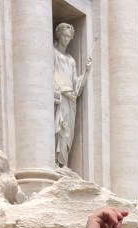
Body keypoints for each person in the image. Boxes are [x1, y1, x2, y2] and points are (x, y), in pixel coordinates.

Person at [53, 22, 92, 169]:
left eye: (68, 37)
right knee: (59, 128)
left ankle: (62, 164)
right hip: (60, 97)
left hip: (70, 102)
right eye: (63, 35)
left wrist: (87, 71)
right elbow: (48, 74)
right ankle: (55, 162)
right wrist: (63, 90)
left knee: (67, 134)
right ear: (58, 35)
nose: (66, 39)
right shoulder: (53, 53)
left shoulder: (71, 60)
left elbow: (76, 86)